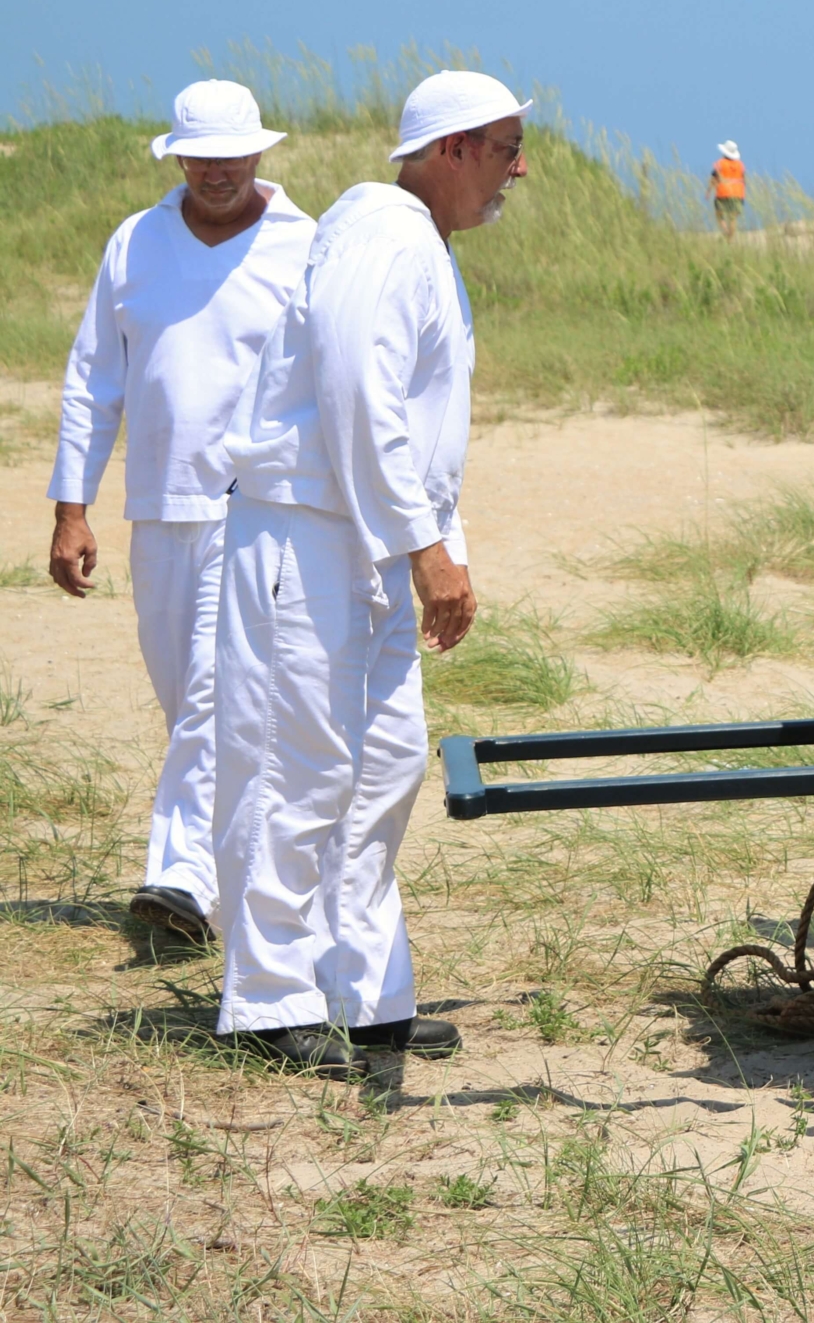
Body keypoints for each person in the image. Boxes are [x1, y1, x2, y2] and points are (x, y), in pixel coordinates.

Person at [211, 69, 530, 1080]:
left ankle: (360, 991)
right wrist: (425, 549)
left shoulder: (419, 243)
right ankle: (270, 1000)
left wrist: (443, 546)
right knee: (297, 763)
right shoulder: (380, 234)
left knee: (384, 764)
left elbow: (422, 428)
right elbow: (358, 394)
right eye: (506, 148)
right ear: (451, 148)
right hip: (310, 531)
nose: (518, 170)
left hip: (376, 539)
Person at [47, 81, 316, 943]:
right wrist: (72, 509)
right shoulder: (135, 242)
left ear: (259, 152)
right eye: (200, 157)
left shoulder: (304, 244)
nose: (217, 172)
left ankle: (182, 878)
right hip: (159, 509)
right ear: (178, 156)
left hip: (259, 511)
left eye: (232, 155)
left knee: (211, 693)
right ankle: (234, 879)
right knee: (189, 704)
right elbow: (94, 381)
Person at [710, 141, 746, 240]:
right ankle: (730, 239)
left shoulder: (720, 163)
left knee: (719, 214)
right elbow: (744, 179)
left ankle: (726, 232)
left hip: (723, 192)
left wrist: (709, 191)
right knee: (733, 218)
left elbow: (714, 178)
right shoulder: (740, 165)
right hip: (738, 193)